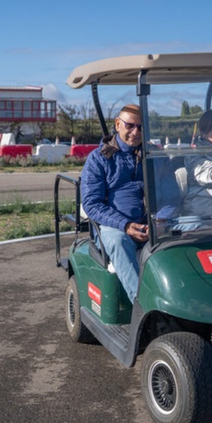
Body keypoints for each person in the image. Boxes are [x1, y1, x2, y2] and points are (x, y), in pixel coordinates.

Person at [80, 104, 148, 303]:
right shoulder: (99, 159)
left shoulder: (152, 156)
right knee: (118, 242)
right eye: (130, 125)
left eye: (141, 127)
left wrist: (160, 220)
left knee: (192, 229)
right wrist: (125, 225)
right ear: (118, 124)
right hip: (115, 226)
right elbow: (92, 204)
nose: (136, 132)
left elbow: (169, 193)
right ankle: (143, 305)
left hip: (152, 223)